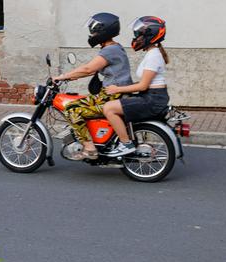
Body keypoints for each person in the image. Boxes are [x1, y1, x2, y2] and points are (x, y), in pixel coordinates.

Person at [53, 12, 133, 160]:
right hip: (111, 94)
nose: (92, 34)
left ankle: (89, 148)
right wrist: (70, 77)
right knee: (76, 103)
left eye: (95, 30)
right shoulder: (114, 47)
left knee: (71, 110)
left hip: (111, 96)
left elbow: (88, 69)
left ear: (104, 31)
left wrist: (62, 77)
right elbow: (90, 69)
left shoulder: (110, 50)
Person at [103, 16, 170, 158]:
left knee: (108, 108)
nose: (136, 38)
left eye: (138, 34)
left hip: (153, 99)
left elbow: (143, 85)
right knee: (119, 103)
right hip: (151, 96)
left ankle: (126, 144)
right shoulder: (152, 53)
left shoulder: (153, 56)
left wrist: (117, 89)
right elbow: (145, 85)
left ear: (149, 35)